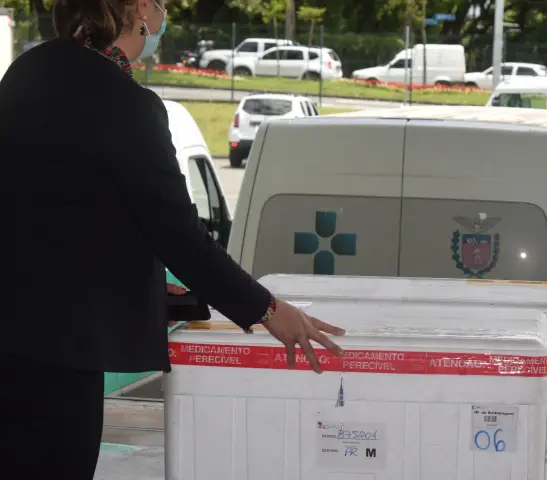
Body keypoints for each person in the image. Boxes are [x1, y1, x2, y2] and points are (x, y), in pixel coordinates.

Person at [0, 0, 345, 477]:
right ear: (140, 9)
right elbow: (179, 235)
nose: (164, 14)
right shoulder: (126, 104)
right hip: (61, 352)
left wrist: (135, 278)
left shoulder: (30, 70)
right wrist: (267, 309)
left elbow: (58, 207)